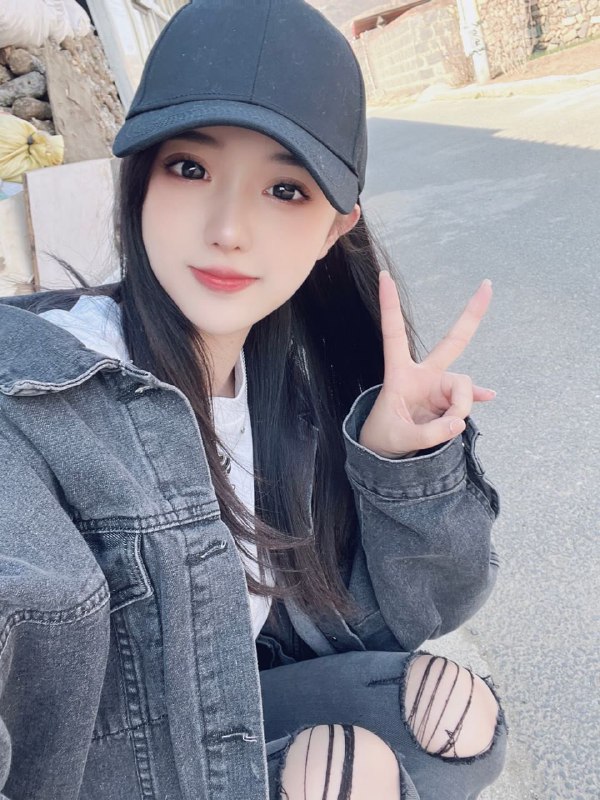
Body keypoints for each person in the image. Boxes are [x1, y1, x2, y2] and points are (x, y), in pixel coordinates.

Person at [0, 1, 506, 798]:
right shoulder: (38, 393)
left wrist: (399, 465)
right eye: (190, 168)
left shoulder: (289, 397)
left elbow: (409, 618)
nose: (230, 228)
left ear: (336, 228)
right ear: (140, 178)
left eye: (284, 188)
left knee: (459, 727)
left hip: (231, 700)